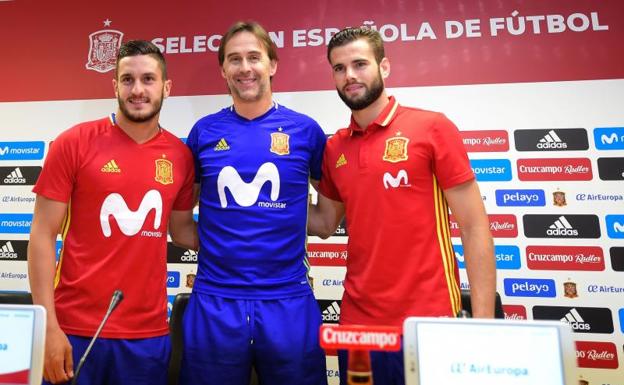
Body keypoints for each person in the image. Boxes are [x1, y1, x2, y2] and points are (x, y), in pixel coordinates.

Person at [308, 27, 496, 385]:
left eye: (360, 64)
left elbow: (474, 227)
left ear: (385, 67)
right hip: (357, 326)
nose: (349, 76)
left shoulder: (432, 127)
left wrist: (483, 325)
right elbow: (323, 223)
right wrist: (261, 202)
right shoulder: (335, 148)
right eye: (339, 68)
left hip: (428, 322)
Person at [27, 40, 197, 385]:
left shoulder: (181, 156)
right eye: (127, 79)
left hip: (148, 335)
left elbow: (182, 231)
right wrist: (48, 326)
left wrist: (254, 238)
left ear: (166, 87)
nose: (137, 90)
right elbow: (42, 236)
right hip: (73, 330)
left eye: (148, 79)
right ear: (114, 84)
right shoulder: (73, 143)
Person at [180, 21, 328, 385]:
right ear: (223, 70)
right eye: (234, 59)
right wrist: (221, 238)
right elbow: (180, 224)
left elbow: (325, 221)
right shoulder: (202, 132)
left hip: (288, 299)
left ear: (272, 64)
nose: (245, 68)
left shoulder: (306, 131)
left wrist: (277, 216)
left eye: (254, 57)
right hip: (215, 299)